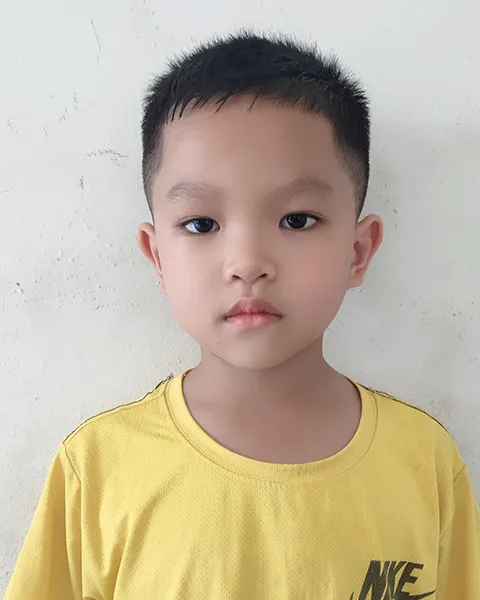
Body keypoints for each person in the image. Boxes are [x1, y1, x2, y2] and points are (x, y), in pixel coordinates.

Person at [5, 32, 479, 600]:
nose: (248, 263)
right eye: (201, 224)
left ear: (358, 252)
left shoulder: (424, 463)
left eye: (297, 220)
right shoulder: (97, 470)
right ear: (158, 257)